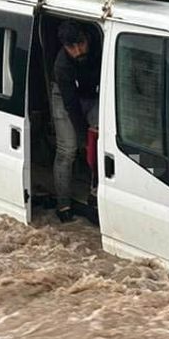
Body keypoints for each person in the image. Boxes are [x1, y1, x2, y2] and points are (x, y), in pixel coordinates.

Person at [51, 21, 100, 223]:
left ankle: (95, 194)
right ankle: (63, 205)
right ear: (64, 47)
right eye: (72, 47)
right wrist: (82, 137)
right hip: (65, 97)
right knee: (67, 150)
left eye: (81, 44)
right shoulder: (62, 66)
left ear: (87, 38)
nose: (78, 50)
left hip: (94, 93)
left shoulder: (100, 43)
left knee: (101, 142)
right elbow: (71, 106)